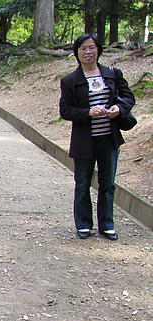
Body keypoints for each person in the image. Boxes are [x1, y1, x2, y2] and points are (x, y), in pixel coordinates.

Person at [59, 33, 135, 241]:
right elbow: (65, 110)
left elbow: (128, 97)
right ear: (76, 52)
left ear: (98, 50)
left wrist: (118, 109)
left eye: (91, 47)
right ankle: (83, 224)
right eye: (83, 48)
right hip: (84, 139)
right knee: (82, 183)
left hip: (109, 138)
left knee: (108, 183)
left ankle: (107, 224)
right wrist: (88, 112)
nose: (88, 52)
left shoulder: (112, 74)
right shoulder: (70, 81)